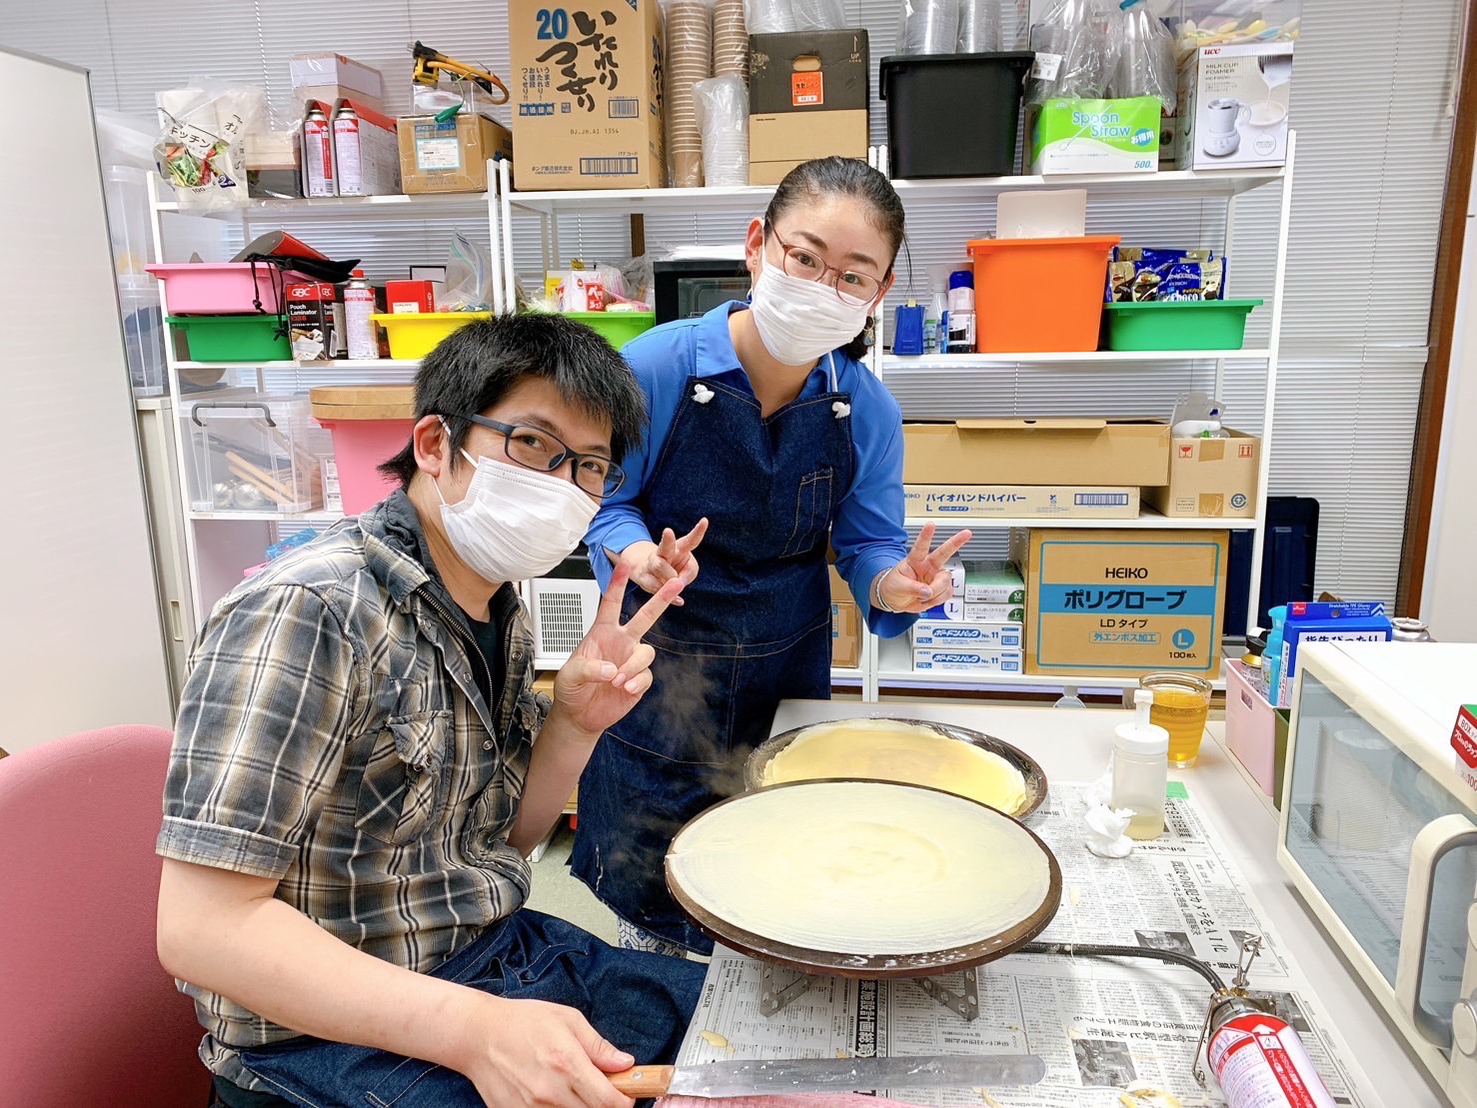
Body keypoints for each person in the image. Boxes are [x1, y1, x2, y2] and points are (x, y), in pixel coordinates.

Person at [155, 313, 706, 1108]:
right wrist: (476, 1031)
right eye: (531, 445)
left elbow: (502, 841)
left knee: (748, 1040)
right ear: (434, 445)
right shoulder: (312, 610)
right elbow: (201, 930)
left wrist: (575, 724)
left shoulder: (490, 601)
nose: (562, 487)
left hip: (485, 955)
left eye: (589, 466)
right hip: (320, 1042)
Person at [573, 156, 972, 956]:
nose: (826, 286)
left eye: (854, 275)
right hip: (659, 667)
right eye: (806, 258)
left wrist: (897, 585)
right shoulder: (656, 367)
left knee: (778, 878)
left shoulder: (865, 407)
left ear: (880, 292)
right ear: (758, 245)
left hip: (788, 668)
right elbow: (603, 502)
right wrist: (636, 554)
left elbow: (867, 546)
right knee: (652, 908)